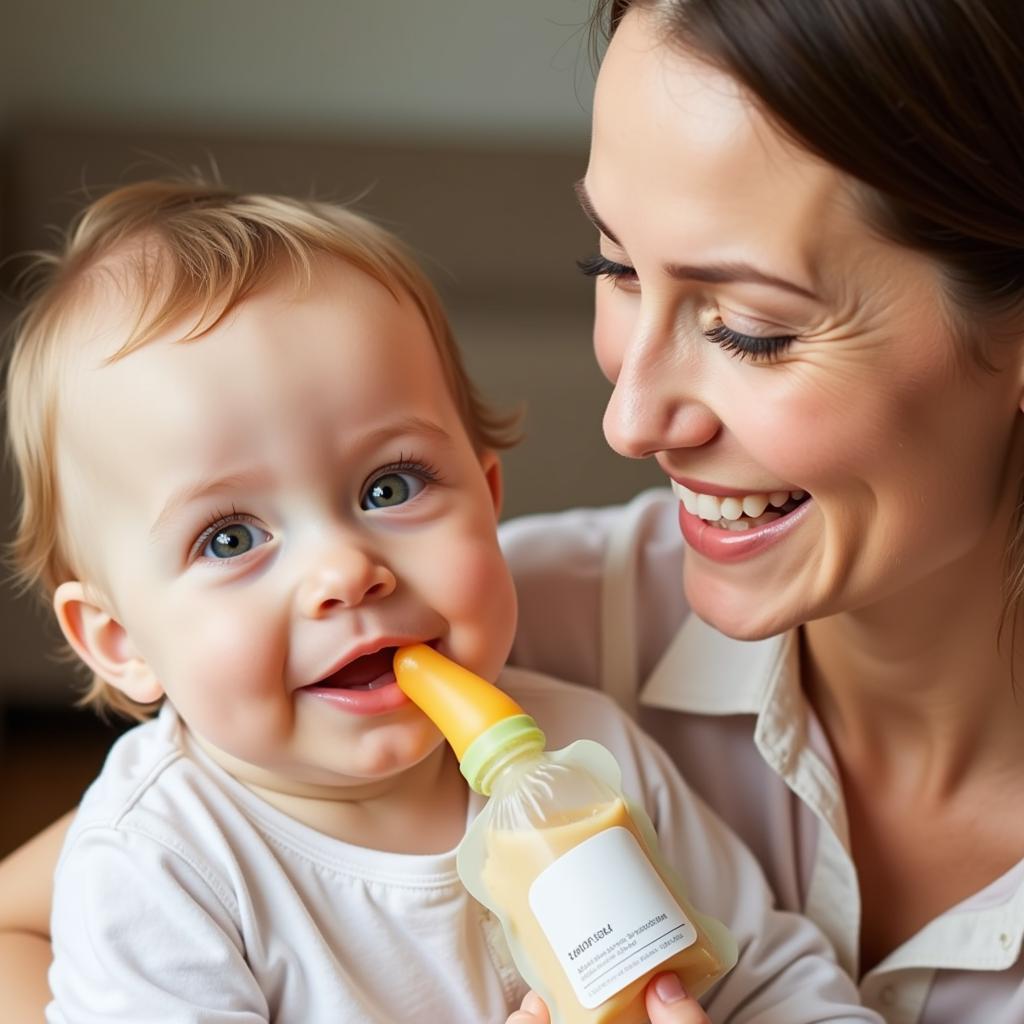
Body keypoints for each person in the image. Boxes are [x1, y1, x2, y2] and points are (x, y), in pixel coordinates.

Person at [3, 0, 1023, 1019]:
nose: (630, 424)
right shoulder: (168, 855)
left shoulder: (588, 743)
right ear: (111, 637)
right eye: (614, 268)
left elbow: (766, 973)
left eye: (752, 328)